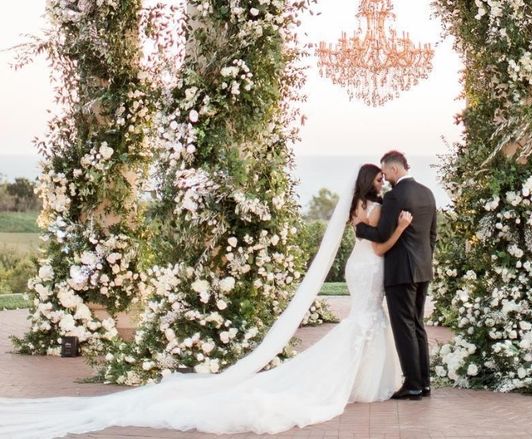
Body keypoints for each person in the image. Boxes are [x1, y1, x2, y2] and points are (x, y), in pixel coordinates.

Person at [0, 163, 414, 437]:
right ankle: (362, 383)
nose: (383, 182)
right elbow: (379, 244)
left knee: (364, 321)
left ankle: (365, 381)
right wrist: (401, 227)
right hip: (369, 264)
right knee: (365, 320)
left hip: (361, 267)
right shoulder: (373, 207)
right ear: (369, 181)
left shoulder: (359, 206)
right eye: (379, 178)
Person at [355, 150, 438, 400]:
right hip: (423, 269)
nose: (386, 177)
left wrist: (360, 229)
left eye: (385, 171)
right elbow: (432, 235)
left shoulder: (395, 196)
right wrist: (424, 260)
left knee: (404, 328)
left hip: (401, 270)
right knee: (417, 325)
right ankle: (423, 383)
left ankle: (412, 384)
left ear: (393, 169)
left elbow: (381, 234)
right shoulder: (427, 192)